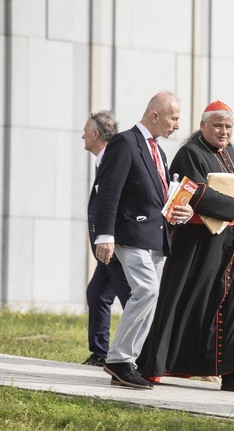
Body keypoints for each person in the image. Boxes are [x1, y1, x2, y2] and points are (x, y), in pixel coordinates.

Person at [136, 100, 234, 394]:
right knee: (184, 301)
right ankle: (153, 365)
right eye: (217, 125)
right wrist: (232, 205)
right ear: (203, 126)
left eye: (228, 126)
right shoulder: (191, 153)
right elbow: (192, 189)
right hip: (199, 244)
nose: (223, 131)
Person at [95, 91, 193, 390]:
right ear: (155, 115)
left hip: (157, 236)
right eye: (174, 118)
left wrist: (180, 212)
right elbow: (109, 190)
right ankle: (119, 359)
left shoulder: (159, 151)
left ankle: (128, 362)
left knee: (149, 297)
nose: (177, 125)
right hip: (130, 235)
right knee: (146, 291)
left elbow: (158, 196)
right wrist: (105, 234)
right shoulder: (125, 142)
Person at [82, 110, 131, 367]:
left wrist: (107, 236)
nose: (82, 136)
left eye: (85, 131)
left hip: (115, 244)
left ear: (95, 133)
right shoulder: (102, 158)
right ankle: (100, 353)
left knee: (131, 299)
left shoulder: (113, 157)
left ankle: (138, 356)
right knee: (98, 293)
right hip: (107, 245)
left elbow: (114, 199)